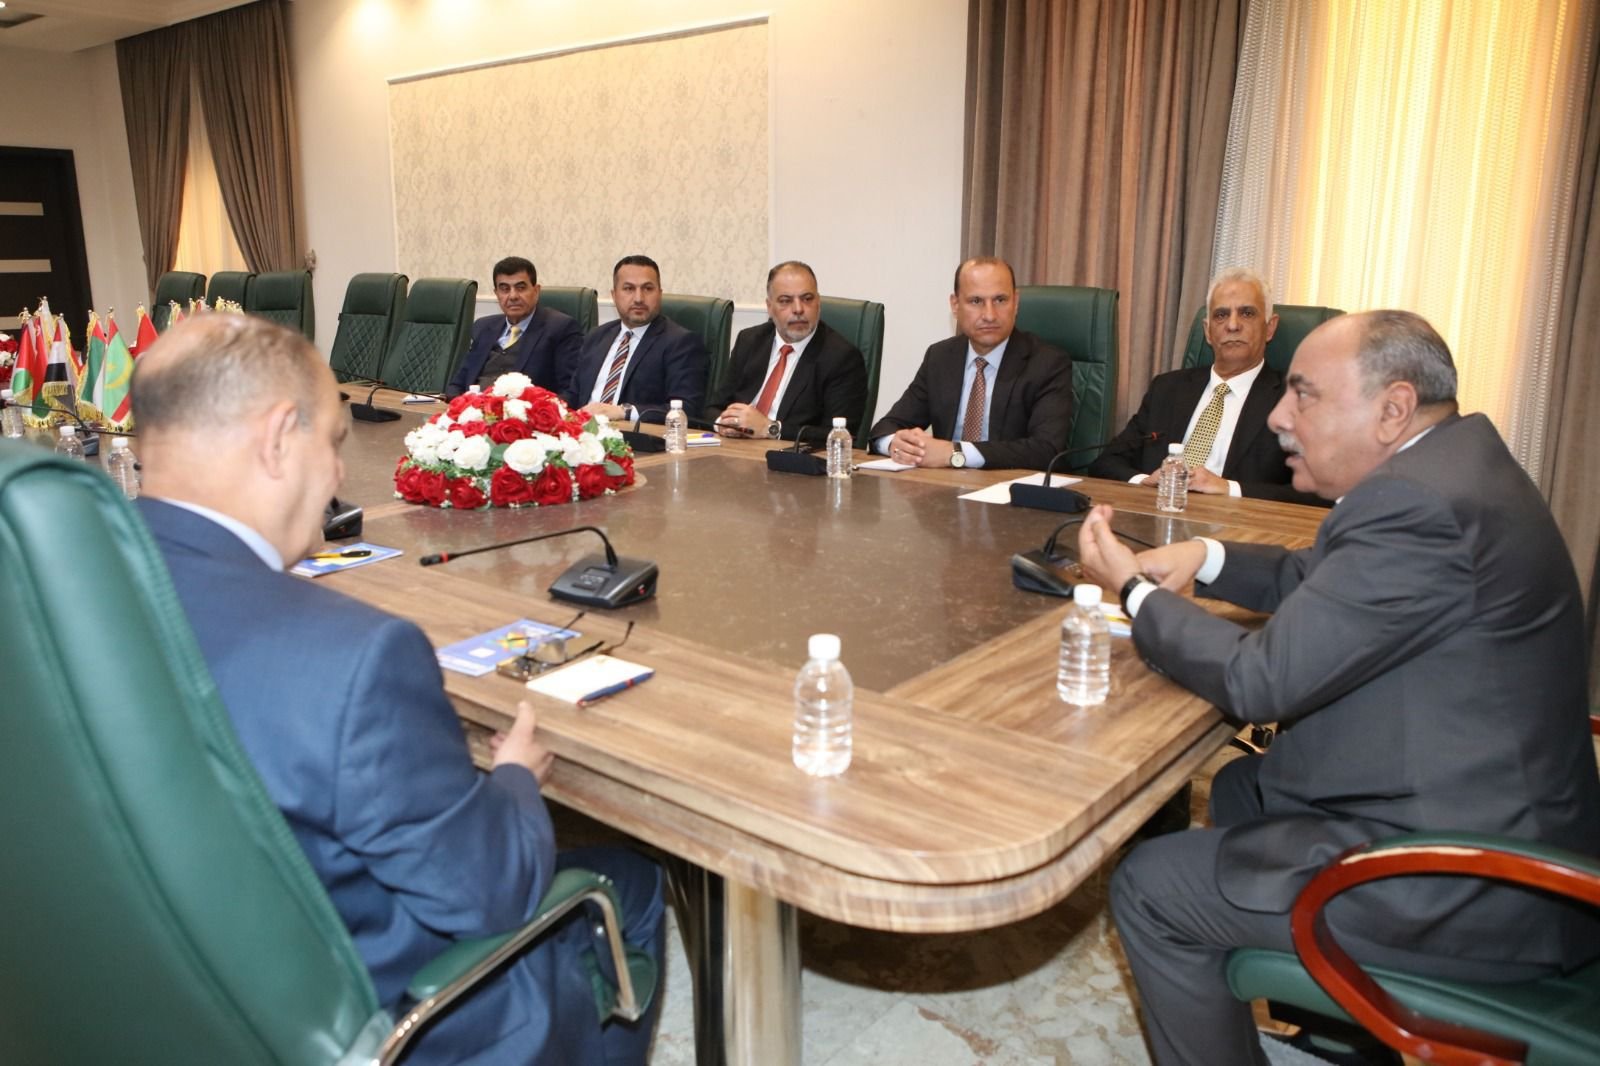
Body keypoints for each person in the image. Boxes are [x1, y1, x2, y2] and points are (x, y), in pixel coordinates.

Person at [130, 314, 664, 1066]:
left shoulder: (52, 588)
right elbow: (492, 891)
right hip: (365, 1011)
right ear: (278, 438)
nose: (339, 476)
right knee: (631, 880)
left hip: (144, 980)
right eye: (334, 443)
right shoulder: (355, 657)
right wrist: (514, 779)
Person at [1076, 310, 1600, 1066]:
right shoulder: (1452, 466)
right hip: (1484, 805)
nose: (1280, 417)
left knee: (1152, 887)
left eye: (1305, 394)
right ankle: (1342, 1032)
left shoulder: (1418, 505)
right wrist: (1208, 555)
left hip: (1477, 883)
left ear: (1392, 409)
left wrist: (1136, 593)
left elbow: (1260, 681)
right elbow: (1323, 577)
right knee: (1245, 788)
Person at [1088, 268, 1324, 505]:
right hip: (1159, 515)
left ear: (1270, 327)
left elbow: (1319, 491)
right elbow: (1107, 462)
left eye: (1247, 313)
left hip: (1238, 524)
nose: (1233, 325)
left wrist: (1229, 488)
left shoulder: (1295, 399)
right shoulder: (1167, 389)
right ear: (1208, 331)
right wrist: (1145, 481)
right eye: (1221, 315)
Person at [869, 257, 1072, 470]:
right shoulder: (940, 357)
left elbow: (1046, 450)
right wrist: (896, 444)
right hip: (944, 486)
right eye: (976, 301)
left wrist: (955, 453)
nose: (989, 315)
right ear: (955, 305)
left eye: (1000, 300)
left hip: (1008, 486)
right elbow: (885, 428)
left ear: (1016, 302)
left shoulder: (1047, 364)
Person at [707, 260, 868, 441]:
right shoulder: (750, 341)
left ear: (818, 303)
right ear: (769, 307)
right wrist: (725, 423)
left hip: (789, 454)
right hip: (736, 448)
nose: (798, 309)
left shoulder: (842, 358)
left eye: (807, 299)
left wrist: (770, 428)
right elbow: (714, 408)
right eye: (785, 301)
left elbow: (838, 436)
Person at [565, 254, 707, 423]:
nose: (639, 298)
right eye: (628, 289)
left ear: (659, 294)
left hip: (631, 434)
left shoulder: (681, 343)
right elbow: (573, 395)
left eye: (648, 288)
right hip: (580, 431)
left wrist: (623, 412)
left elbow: (687, 409)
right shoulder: (596, 337)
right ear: (614, 295)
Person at [447, 255, 582, 398]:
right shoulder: (483, 327)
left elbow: (569, 393)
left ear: (536, 291)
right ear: (496, 294)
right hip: (474, 408)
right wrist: (462, 405)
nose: (513, 296)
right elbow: (457, 385)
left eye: (521, 288)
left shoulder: (560, 328)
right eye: (504, 289)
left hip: (524, 410)